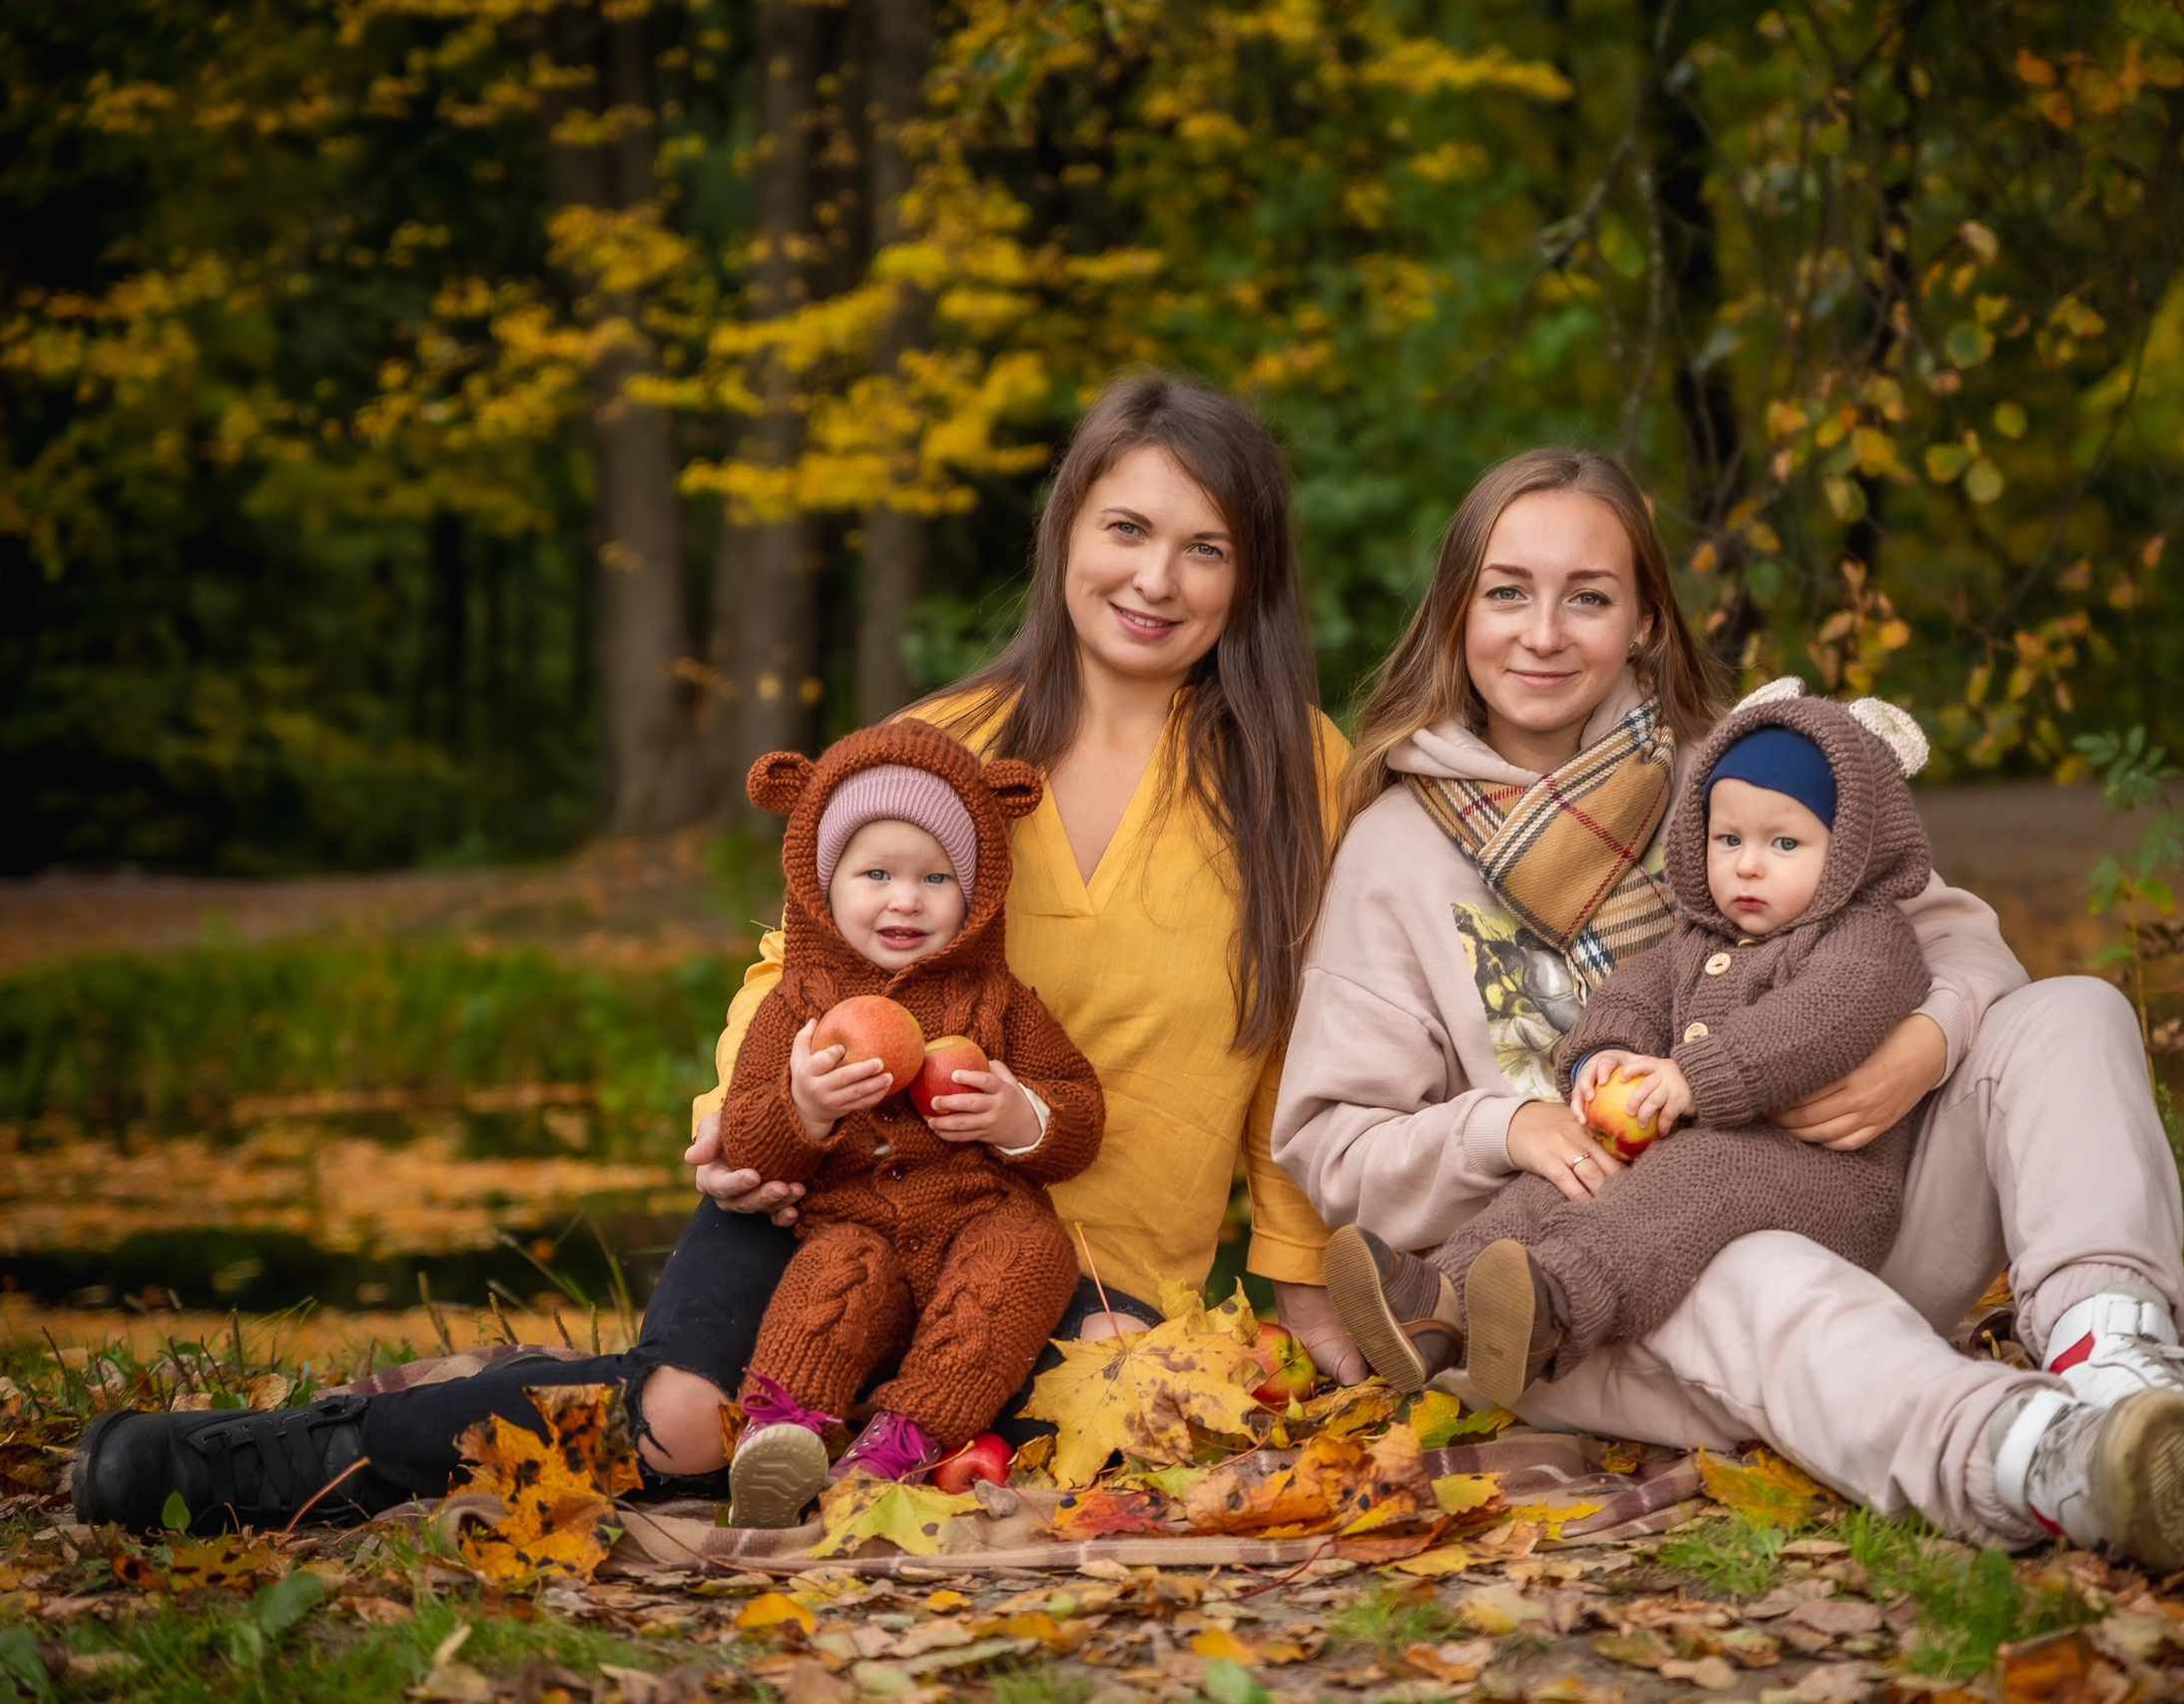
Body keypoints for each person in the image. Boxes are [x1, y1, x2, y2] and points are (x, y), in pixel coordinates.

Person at [71, 372, 1364, 1533]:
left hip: (1082, 1272)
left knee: (924, 1446)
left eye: (1207, 548)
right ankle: (251, 1464)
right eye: (1128, 529)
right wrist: (755, 1109)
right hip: (847, 1181)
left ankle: (512, 1390)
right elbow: (789, 958)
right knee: (684, 1423)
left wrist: (1297, 1274)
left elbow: (1312, 1040)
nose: (1158, 578)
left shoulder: (1291, 771)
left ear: (1249, 577)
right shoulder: (940, 742)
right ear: (1068, 532)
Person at [1274, 444, 2184, 1572]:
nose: (1543, 631)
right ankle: (2041, 1464)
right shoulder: (1395, 850)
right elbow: (1334, 1145)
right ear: (1457, 612)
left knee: (2072, 1010)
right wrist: (1505, 1125)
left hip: (1850, 1193)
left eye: (1590, 597)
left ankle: (2124, 1375)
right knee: (1736, 1258)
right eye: (1507, 591)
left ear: (1647, 623)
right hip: (1593, 1286)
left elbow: (1951, 937)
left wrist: (1919, 1046)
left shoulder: (1736, 769)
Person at [1326, 683, 1945, 1414]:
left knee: (1692, 1174)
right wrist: (1601, 1058)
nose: (1749, 865)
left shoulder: (1867, 939)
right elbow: (1632, 994)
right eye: (1729, 840)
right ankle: (1438, 1304)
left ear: (1848, 850)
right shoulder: (1696, 939)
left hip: (1828, 1180)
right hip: (1698, 1155)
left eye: (1785, 843)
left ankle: (1551, 1308)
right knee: (1572, 1175)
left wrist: (1693, 1075)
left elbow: (1817, 1022)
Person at [718, 720, 1104, 1525]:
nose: (906, 898)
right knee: (833, 1281)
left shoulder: (998, 1001)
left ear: (976, 894)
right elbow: (748, 1139)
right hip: (853, 1220)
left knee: (1026, 1259)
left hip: (978, 1213)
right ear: (824, 886)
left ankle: (905, 1438)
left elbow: (1080, 1108)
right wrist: (806, 1105)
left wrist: (1018, 1114)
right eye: (877, 873)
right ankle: (781, 1431)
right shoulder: (798, 1006)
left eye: (936, 878)